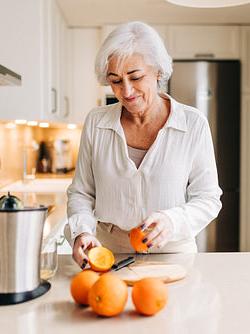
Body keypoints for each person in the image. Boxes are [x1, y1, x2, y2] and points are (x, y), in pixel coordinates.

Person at [65, 21, 222, 269]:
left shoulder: (193, 123)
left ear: (158, 72)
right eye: (115, 80)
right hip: (109, 253)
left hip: (173, 255)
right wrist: (82, 232)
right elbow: (82, 193)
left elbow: (209, 198)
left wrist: (173, 220)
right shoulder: (96, 123)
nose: (126, 91)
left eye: (135, 77)